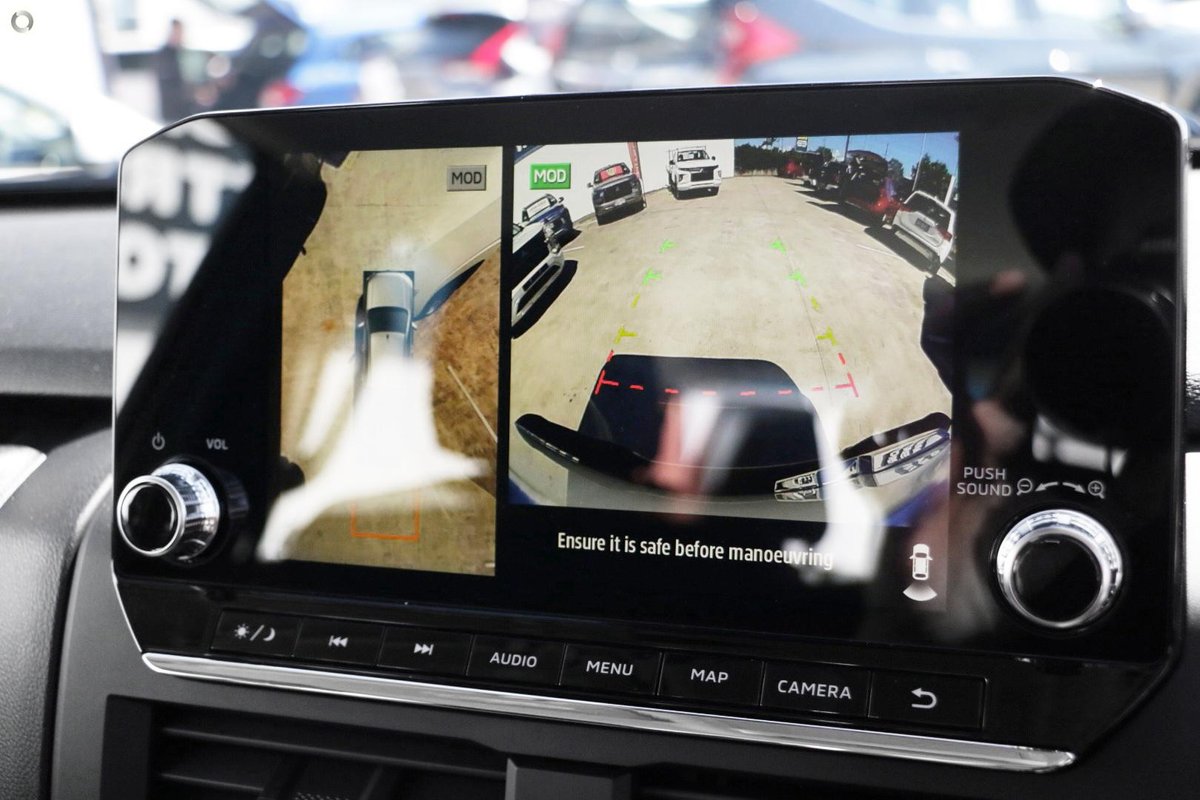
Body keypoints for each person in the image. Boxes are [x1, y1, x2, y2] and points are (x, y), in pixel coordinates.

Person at [156, 19, 194, 121]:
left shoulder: (183, 53)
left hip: (186, 110)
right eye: (177, 31)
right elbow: (171, 81)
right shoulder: (163, 55)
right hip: (172, 112)